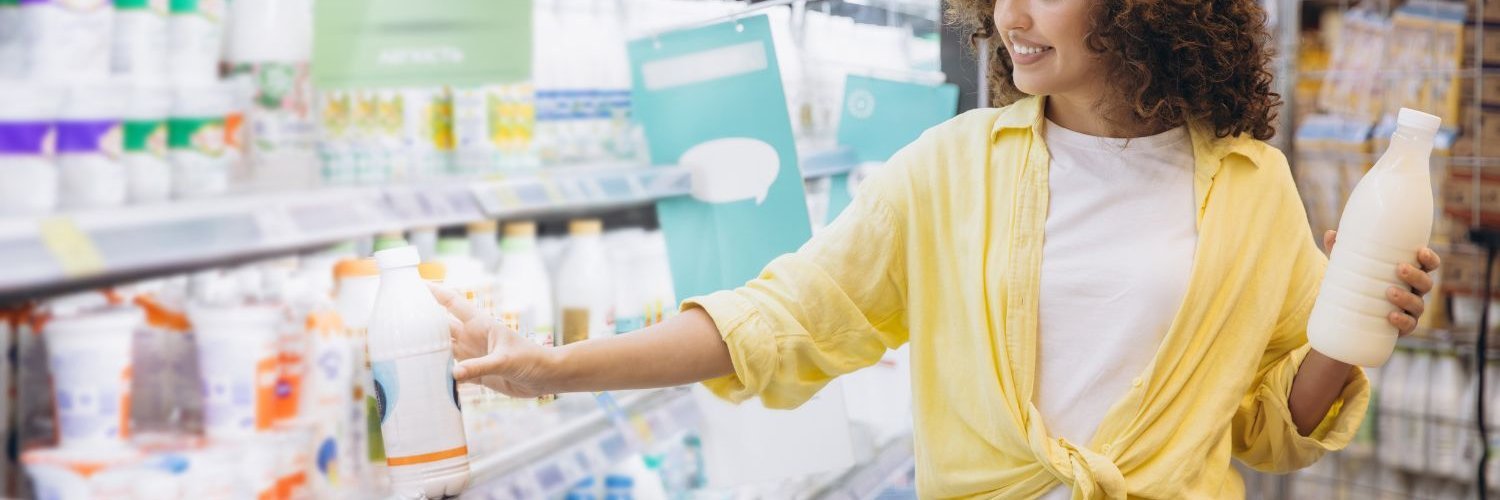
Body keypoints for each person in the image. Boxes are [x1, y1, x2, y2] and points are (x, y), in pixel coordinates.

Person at [433, 0, 1442, 496]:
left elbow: (1270, 423)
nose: (1012, 13)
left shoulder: (1250, 188)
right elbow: (778, 319)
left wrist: (1357, 325)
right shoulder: (950, 169)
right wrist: (550, 368)